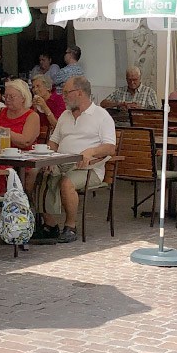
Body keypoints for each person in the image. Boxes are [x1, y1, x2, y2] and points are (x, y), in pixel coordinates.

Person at [39, 76, 116, 243]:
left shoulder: (101, 115)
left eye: (66, 92)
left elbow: (110, 148)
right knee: (37, 175)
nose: (63, 96)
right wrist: (46, 158)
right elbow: (54, 142)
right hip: (61, 162)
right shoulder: (65, 116)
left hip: (88, 168)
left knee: (67, 183)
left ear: (80, 93)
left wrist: (92, 151)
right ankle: (50, 225)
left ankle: (70, 227)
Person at [0, 79, 41, 233]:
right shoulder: (0, 112)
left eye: (11, 97)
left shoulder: (32, 116)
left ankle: (1, 217)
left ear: (23, 97)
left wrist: (3, 130)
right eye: (5, 96)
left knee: (1, 170)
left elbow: (26, 140)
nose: (7, 100)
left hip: (21, 159)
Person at [31, 75, 66, 139]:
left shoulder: (58, 100)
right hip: (38, 138)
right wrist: (35, 109)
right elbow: (31, 126)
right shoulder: (33, 102)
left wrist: (45, 107)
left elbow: (57, 125)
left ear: (47, 87)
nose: (35, 89)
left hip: (54, 138)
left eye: (38, 86)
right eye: (33, 87)